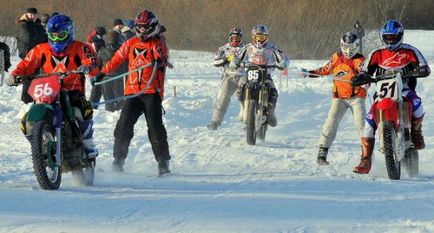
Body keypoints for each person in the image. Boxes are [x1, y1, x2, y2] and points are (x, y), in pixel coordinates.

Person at [7, 14, 100, 158]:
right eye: (53, 35)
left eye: (61, 35)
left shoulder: (81, 47)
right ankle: (39, 144)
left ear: (69, 33)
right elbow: (26, 64)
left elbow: (93, 62)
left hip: (72, 88)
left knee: (82, 108)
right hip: (48, 89)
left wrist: (88, 66)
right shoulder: (41, 49)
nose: (56, 39)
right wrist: (15, 75)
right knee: (27, 118)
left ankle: (88, 143)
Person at [94, 9, 171, 175]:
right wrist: (102, 73)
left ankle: (163, 163)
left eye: (146, 28)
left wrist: (159, 59)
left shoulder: (158, 43)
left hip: (151, 92)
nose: (142, 32)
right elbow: (116, 60)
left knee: (155, 128)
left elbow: (162, 53)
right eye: (140, 28)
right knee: (123, 126)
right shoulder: (130, 43)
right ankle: (118, 161)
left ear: (153, 27)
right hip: (132, 92)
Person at [351, 20, 431, 174]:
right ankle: (365, 159)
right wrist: (361, 77)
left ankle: (416, 131)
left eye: (393, 38)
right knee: (368, 123)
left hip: (405, 89)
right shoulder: (376, 53)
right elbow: (364, 70)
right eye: (387, 38)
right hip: (382, 93)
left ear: (400, 36)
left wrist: (421, 70)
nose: (390, 41)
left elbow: (423, 65)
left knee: (418, 105)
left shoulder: (409, 51)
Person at [300, 32, 366, 165]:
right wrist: (310, 73)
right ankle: (322, 153)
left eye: (352, 47)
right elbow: (325, 70)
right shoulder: (336, 57)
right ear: (341, 45)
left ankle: (366, 156)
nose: (348, 50)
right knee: (331, 121)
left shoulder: (361, 60)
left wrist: (363, 80)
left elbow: (366, 74)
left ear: (357, 46)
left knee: (361, 125)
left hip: (356, 97)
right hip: (339, 97)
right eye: (346, 46)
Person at [232, 24, 289, 127]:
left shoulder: (272, 48)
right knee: (240, 86)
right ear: (253, 37)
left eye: (261, 37)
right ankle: (243, 107)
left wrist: (283, 63)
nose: (259, 40)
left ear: (266, 37)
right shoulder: (247, 47)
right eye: (257, 37)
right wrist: (234, 62)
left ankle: (271, 113)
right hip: (250, 73)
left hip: (266, 74)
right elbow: (236, 56)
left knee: (274, 92)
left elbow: (284, 57)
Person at [207, 27, 246, 130]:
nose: (235, 41)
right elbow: (215, 62)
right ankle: (215, 121)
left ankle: (248, 121)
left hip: (243, 76)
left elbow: (252, 60)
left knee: (245, 96)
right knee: (223, 97)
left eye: (237, 39)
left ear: (241, 38)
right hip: (229, 76)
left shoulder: (246, 49)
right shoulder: (223, 49)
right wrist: (228, 59)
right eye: (233, 38)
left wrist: (243, 63)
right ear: (229, 38)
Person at [15, 7, 47, 104]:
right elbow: (28, 39)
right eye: (31, 14)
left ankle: (33, 97)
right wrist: (41, 44)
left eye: (34, 15)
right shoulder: (23, 24)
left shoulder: (38, 25)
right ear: (27, 14)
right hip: (27, 53)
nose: (33, 16)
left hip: (37, 54)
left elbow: (43, 37)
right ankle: (26, 99)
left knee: (37, 76)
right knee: (28, 76)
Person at [97, 31, 126, 112]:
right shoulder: (122, 51)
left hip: (105, 79)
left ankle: (110, 119)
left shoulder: (101, 51)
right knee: (120, 103)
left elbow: (98, 65)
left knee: (109, 103)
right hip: (119, 78)